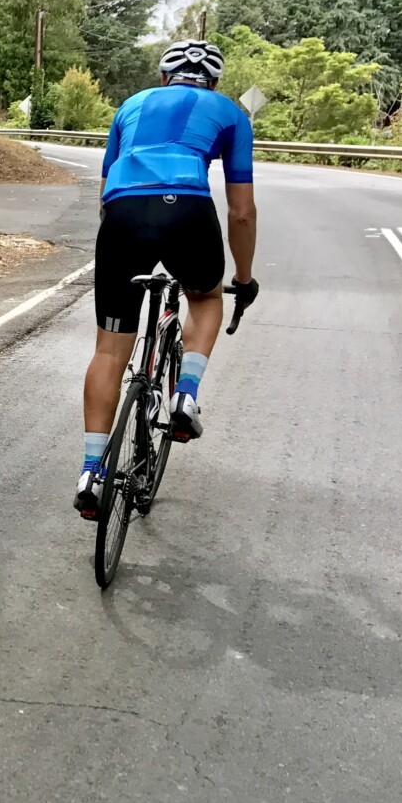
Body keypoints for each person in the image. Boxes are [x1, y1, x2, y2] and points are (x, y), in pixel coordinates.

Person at [75, 40, 259, 517]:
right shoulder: (232, 114)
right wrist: (244, 276)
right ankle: (186, 397)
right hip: (188, 212)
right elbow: (240, 212)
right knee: (206, 295)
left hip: (122, 216)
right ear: (214, 82)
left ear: (163, 78)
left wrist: (125, 245)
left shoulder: (130, 105)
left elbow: (104, 196)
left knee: (108, 350)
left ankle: (92, 472)